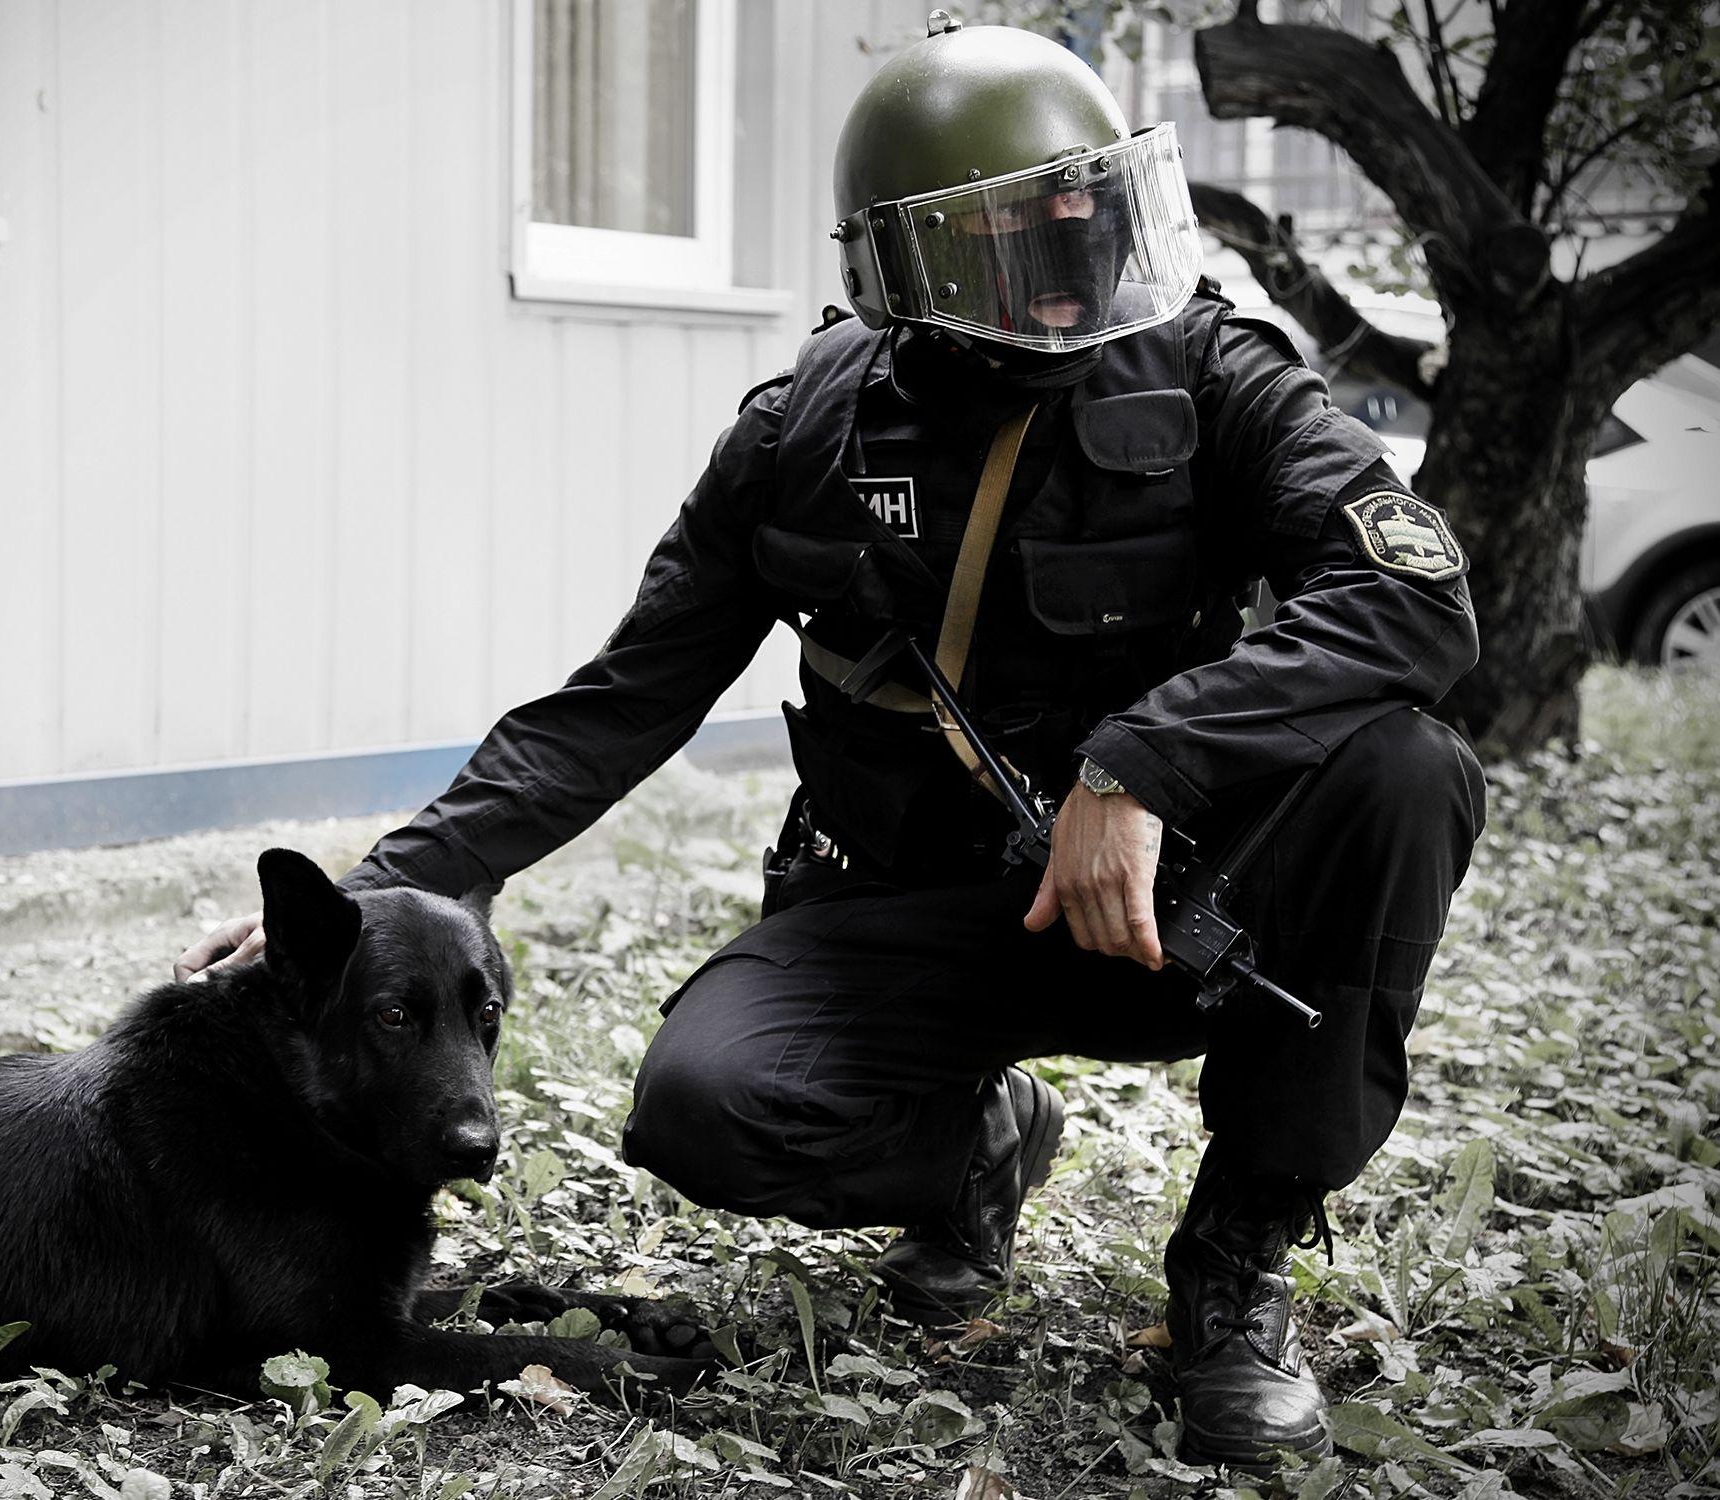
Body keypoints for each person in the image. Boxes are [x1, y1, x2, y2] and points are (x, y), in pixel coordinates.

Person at [176, 17, 1485, 1466]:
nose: (1065, 284)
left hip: (1171, 904)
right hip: (905, 905)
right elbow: (624, 695)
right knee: (700, 1109)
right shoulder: (798, 431)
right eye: (1014, 250)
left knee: (1405, 767)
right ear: (905, 270)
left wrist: (1141, 761)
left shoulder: (1218, 376)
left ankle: (1232, 1272)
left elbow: (1412, 601)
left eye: (1088, 228)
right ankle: (974, 1152)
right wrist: (385, 895)